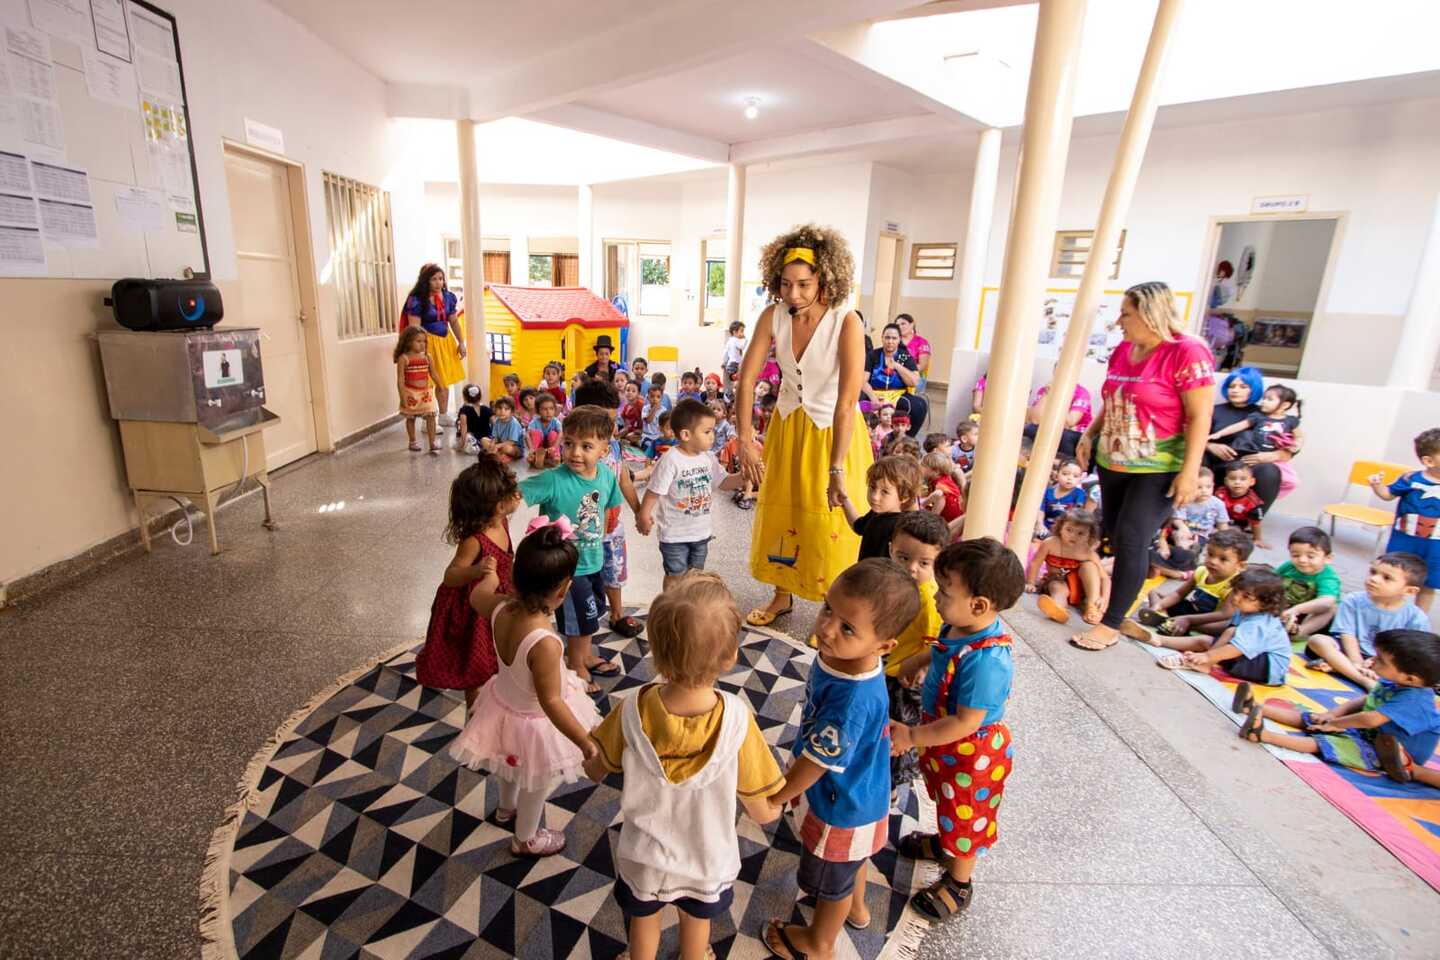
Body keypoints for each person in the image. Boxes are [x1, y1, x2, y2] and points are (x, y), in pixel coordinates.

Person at [584, 573, 783, 960]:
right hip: (707, 858)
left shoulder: (631, 708)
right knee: (696, 924)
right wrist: (782, 801)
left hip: (643, 854)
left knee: (643, 922)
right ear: (730, 657)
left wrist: (589, 738)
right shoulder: (738, 719)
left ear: (655, 652)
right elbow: (763, 809)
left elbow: (595, 768)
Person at [761, 560, 920, 960]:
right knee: (849, 866)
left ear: (885, 646)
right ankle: (858, 907)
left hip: (841, 808)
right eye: (829, 608)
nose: (828, 628)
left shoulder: (851, 702)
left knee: (830, 880)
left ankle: (819, 944)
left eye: (848, 627)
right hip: (860, 790)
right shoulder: (850, 658)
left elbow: (815, 763)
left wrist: (779, 795)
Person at [736, 225, 872, 627]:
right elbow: (746, 379)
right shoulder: (773, 315)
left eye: (803, 284)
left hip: (835, 432)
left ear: (824, 279)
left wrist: (836, 468)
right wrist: (745, 439)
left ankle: (837, 610)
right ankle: (783, 594)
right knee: (785, 512)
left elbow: (847, 401)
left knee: (830, 518)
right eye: (785, 284)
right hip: (788, 427)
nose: (792, 294)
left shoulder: (845, 322)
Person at [1072, 282, 1216, 651]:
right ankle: (1125, 602)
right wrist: (1090, 434)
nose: (1119, 321)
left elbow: (1200, 416)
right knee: (1120, 537)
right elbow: (1112, 397)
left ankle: (1112, 622)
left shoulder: (1187, 351)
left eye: (1126, 313)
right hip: (1114, 459)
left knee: (1134, 536)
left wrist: (1189, 471)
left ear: (1150, 314)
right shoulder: (1123, 349)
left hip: (1158, 466)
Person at [447, 520, 602, 856]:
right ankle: (526, 838)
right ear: (563, 590)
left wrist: (488, 576)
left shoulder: (500, 606)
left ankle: (505, 808)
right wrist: (583, 741)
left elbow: (477, 596)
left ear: (516, 577)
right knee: (536, 779)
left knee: (509, 761)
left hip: (502, 705)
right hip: (533, 721)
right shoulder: (544, 642)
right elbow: (551, 701)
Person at [890, 538, 1025, 921]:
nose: (935, 597)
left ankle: (959, 882)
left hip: (973, 755)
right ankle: (943, 842)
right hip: (948, 745)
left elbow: (967, 721)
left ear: (979, 604)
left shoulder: (988, 661)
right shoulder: (959, 625)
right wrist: (920, 660)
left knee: (965, 815)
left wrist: (912, 736)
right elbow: (941, 650)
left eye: (945, 592)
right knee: (948, 804)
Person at [1236, 629, 1440, 784]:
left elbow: (1371, 718)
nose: (1372, 661)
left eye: (1381, 661)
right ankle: (1253, 706)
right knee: (1313, 718)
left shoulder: (1415, 699)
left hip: (1391, 751)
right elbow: (1367, 701)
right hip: (1370, 732)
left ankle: (1263, 736)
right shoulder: (1395, 681)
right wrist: (1332, 714)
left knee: (1328, 743)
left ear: (1411, 678)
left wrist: (1336, 724)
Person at [518, 406, 626, 692]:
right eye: (569, 444)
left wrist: (607, 533)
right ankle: (575, 664)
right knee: (579, 617)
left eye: (586, 446)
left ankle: (586, 655)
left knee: (591, 613)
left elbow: (611, 505)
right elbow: (518, 493)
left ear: (604, 450)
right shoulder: (554, 478)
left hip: (594, 559)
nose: (575, 453)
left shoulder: (605, 474)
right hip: (567, 568)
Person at [416, 456, 521, 711]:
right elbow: (451, 575)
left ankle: (497, 703)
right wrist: (476, 570)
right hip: (472, 610)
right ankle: (476, 715)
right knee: (476, 666)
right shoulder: (475, 539)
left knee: (497, 657)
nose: (519, 496)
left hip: (495, 599)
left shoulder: (502, 522)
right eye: (513, 494)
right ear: (498, 506)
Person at [573, 378, 646, 639]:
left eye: (614, 422)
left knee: (614, 570)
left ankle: (617, 614)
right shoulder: (575, 452)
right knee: (582, 578)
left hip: (613, 528)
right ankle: (580, 627)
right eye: (606, 421)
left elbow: (622, 477)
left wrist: (638, 510)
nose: (613, 428)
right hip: (584, 533)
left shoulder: (613, 444)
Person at [637, 399, 737, 588]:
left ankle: (687, 610)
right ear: (685, 434)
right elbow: (653, 492)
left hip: (701, 533)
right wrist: (643, 515)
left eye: (713, 431)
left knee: (695, 577)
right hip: (674, 535)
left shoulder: (708, 458)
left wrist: (743, 476)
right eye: (707, 432)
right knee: (675, 576)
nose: (712, 436)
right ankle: (670, 610)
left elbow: (723, 482)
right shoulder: (670, 460)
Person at [884, 511, 948, 797]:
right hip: (888, 667)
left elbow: (939, 641)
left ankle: (891, 786)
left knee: (898, 734)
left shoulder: (930, 599)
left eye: (923, 563)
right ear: (890, 550)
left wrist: (922, 667)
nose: (911, 568)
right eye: (902, 557)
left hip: (905, 680)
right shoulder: (893, 583)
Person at [1304, 553, 1431, 691]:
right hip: (1348, 651)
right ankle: (1363, 679)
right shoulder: (1353, 600)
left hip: (1385, 661)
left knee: (1412, 675)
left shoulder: (1416, 618)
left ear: (1410, 591)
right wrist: (1357, 662)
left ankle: (1341, 668)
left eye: (1387, 578)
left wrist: (1376, 662)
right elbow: (1347, 634)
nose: (1374, 579)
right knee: (1318, 640)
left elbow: (1409, 653)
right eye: (1373, 572)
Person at [1146, 568, 1292, 686]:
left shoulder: (1259, 624)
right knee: (1206, 641)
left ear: (1265, 603)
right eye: (1236, 591)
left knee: (1222, 637)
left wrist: (1207, 656)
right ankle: (1157, 639)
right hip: (1254, 659)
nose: (1236, 598)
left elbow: (1237, 648)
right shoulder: (1246, 610)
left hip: (1267, 668)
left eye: (1246, 596)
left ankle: (1205, 663)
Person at [1204, 367, 1293, 515]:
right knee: (1199, 460)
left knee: (1269, 471)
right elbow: (1192, 436)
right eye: (1232, 386)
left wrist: (1273, 456)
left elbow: (1289, 448)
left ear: (1254, 389)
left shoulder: (1265, 414)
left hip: (1250, 464)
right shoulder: (1213, 410)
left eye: (1243, 387)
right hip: (1219, 462)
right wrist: (1210, 445)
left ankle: (1252, 520)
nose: (1235, 390)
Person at [1369, 427, 1440, 611]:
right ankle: (1383, 610)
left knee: (1429, 583)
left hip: (1436, 545)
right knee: (1394, 575)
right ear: (1428, 460)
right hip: (1404, 541)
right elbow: (1387, 495)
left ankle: (1418, 620)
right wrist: (1377, 485)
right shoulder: (1410, 479)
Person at [1137, 527, 1253, 638]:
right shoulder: (1202, 571)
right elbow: (1178, 594)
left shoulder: (1235, 584)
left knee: (1225, 627)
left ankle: (1176, 624)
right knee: (1154, 593)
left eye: (1223, 559)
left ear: (1241, 565)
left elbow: (1224, 614)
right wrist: (1159, 606)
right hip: (1192, 609)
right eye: (1210, 554)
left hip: (1211, 619)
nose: (1212, 561)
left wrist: (1188, 620)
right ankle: (1165, 619)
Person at [1208, 384, 1304, 502]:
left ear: (1285, 405)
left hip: (1272, 457)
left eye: (1269, 399)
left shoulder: (1290, 421)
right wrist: (1220, 434)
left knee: (1292, 482)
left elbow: (1299, 436)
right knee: (1240, 479)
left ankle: (1265, 499)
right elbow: (1240, 425)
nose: (1264, 402)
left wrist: (1296, 445)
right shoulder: (1258, 416)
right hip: (1251, 454)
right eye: (1264, 398)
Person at [402, 263, 466, 424]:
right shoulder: (416, 300)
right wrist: (418, 351)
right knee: (427, 382)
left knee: (443, 381)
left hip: (446, 342)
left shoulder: (448, 297)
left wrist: (461, 342)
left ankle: (443, 416)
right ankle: (427, 421)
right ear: (426, 281)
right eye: (434, 279)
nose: (439, 283)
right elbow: (414, 328)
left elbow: (454, 321)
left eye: (441, 279)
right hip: (427, 344)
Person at [834, 454, 923, 563]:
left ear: (904, 496)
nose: (874, 497)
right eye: (872, 487)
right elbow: (859, 526)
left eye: (884, 492)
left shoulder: (901, 527)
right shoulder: (877, 513)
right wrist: (844, 501)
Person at [1027, 508, 1109, 625]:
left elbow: (1104, 578)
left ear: (1089, 535)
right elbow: (1036, 563)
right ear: (1060, 528)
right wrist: (1031, 582)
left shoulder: (1088, 553)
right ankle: (1058, 609)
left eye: (1080, 533)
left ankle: (1092, 606)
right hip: (1057, 579)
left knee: (1090, 566)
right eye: (1069, 530)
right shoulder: (1050, 543)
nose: (1073, 536)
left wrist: (1104, 598)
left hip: (1082, 589)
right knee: (1058, 588)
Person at [1150, 466, 1227, 577]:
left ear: (1213, 485)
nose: (1204, 491)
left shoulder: (1218, 504)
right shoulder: (1185, 500)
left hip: (1200, 535)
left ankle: (1176, 566)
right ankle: (1171, 564)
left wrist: (1225, 542)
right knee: (1175, 543)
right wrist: (1183, 528)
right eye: (1199, 487)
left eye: (1208, 487)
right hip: (1180, 532)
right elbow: (1177, 519)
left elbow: (1222, 525)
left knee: (1189, 551)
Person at [860, 323, 928, 436]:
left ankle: (907, 439)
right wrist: (873, 397)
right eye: (887, 337)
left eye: (894, 338)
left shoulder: (905, 356)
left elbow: (915, 381)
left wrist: (897, 366)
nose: (890, 341)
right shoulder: (873, 355)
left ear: (899, 339)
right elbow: (862, 380)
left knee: (918, 405)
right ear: (882, 338)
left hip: (897, 394)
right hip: (875, 392)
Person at [1276, 526, 1341, 642]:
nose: (1302, 560)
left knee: (1331, 608)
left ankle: (1298, 632)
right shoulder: (1289, 566)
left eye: (1310, 556)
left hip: (1309, 616)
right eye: (1295, 555)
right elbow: (1271, 580)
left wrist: (1297, 609)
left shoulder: (1328, 577)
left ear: (1328, 558)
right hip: (1285, 609)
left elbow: (1327, 600)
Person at [1022, 367, 1094, 457]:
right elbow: (1034, 420)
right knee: (1029, 429)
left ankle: (1064, 466)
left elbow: (1069, 422)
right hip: (1049, 427)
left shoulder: (1081, 393)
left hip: (1074, 432)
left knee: (1062, 436)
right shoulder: (1045, 390)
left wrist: (1058, 397)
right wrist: (1047, 394)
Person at [394, 325, 441, 454]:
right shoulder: (403, 358)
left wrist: (441, 385)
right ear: (409, 341)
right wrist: (402, 396)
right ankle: (412, 441)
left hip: (425, 393)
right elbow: (400, 380)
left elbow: (434, 373)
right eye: (418, 341)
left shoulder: (427, 357)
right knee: (411, 418)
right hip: (410, 393)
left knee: (431, 416)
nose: (422, 344)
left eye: (424, 341)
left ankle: (432, 442)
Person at [1217, 463, 1267, 548]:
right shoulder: (1219, 493)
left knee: (1232, 534)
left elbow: (1255, 524)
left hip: (1236, 525)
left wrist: (1257, 539)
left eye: (1243, 479)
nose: (1237, 482)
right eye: (1232, 479)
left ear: (1252, 481)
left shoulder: (1253, 503)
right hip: (1217, 520)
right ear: (1226, 481)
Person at [1038, 458, 1088, 534]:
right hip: (1045, 527)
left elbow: (1077, 513)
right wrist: (1040, 525)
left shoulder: (1079, 493)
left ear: (1080, 479)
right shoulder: (1047, 491)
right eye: (1065, 474)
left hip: (1065, 530)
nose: (1070, 478)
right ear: (1057, 474)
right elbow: (1040, 510)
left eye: (1075, 476)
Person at [919, 452, 964, 526]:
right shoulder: (944, 479)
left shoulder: (941, 484)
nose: (920, 467)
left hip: (949, 522)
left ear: (936, 471)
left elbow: (938, 494)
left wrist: (922, 505)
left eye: (923, 466)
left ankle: (930, 523)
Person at [525, 393, 564, 469]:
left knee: (553, 434)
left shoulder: (555, 421)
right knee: (535, 433)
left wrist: (554, 447)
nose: (548, 412)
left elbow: (561, 433)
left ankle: (556, 456)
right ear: (538, 411)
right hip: (539, 449)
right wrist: (531, 448)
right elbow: (527, 435)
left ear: (555, 410)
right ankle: (534, 455)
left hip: (551, 448)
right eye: (544, 409)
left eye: (551, 408)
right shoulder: (534, 422)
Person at [483, 396, 524, 463]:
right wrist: (492, 444)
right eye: (499, 408)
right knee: (483, 440)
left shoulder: (513, 423)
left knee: (506, 448)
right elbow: (495, 437)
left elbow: (512, 442)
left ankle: (499, 454)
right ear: (495, 410)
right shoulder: (497, 421)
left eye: (506, 409)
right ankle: (498, 454)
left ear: (512, 412)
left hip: (515, 447)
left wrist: (497, 446)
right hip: (501, 443)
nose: (502, 411)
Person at [896, 313, 931, 391]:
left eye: (903, 323)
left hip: (914, 376)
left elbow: (922, 366)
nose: (900, 327)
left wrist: (903, 371)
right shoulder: (894, 341)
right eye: (897, 325)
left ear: (912, 324)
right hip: (894, 375)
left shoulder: (921, 342)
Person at [455, 384, 491, 454]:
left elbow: (463, 427)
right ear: (480, 396)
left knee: (464, 432)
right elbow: (494, 423)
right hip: (487, 436)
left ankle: (473, 444)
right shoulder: (486, 408)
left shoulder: (464, 410)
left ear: (465, 397)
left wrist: (462, 443)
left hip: (473, 436)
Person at [722, 320, 747, 398]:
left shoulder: (729, 341)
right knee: (736, 381)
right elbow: (742, 346)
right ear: (734, 332)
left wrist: (724, 362)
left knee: (730, 382)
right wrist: (745, 339)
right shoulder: (736, 340)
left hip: (730, 364)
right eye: (742, 331)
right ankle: (731, 395)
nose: (743, 333)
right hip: (735, 364)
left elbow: (725, 353)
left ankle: (729, 394)